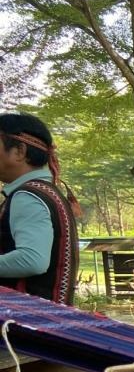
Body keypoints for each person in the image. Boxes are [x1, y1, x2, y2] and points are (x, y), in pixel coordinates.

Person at [0, 113, 78, 306]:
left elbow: (32, 260)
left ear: (19, 151)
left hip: (25, 318)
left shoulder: (27, 196)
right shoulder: (46, 192)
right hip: (45, 317)